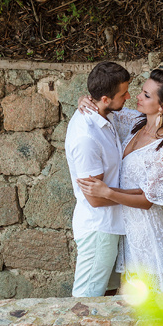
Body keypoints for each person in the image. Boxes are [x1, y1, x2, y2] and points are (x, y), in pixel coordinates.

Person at [77, 68, 163, 293]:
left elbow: (148, 199)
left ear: (162, 106)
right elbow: (107, 109)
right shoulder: (135, 121)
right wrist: (86, 100)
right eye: (142, 91)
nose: (137, 96)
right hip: (123, 224)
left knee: (149, 300)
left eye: (146, 95)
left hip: (145, 231)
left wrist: (108, 193)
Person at [65, 61, 131, 297]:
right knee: (87, 299)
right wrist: (137, 199)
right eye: (123, 94)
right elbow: (95, 198)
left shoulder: (105, 114)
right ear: (105, 98)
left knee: (109, 294)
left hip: (111, 227)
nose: (128, 96)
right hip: (98, 230)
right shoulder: (87, 137)